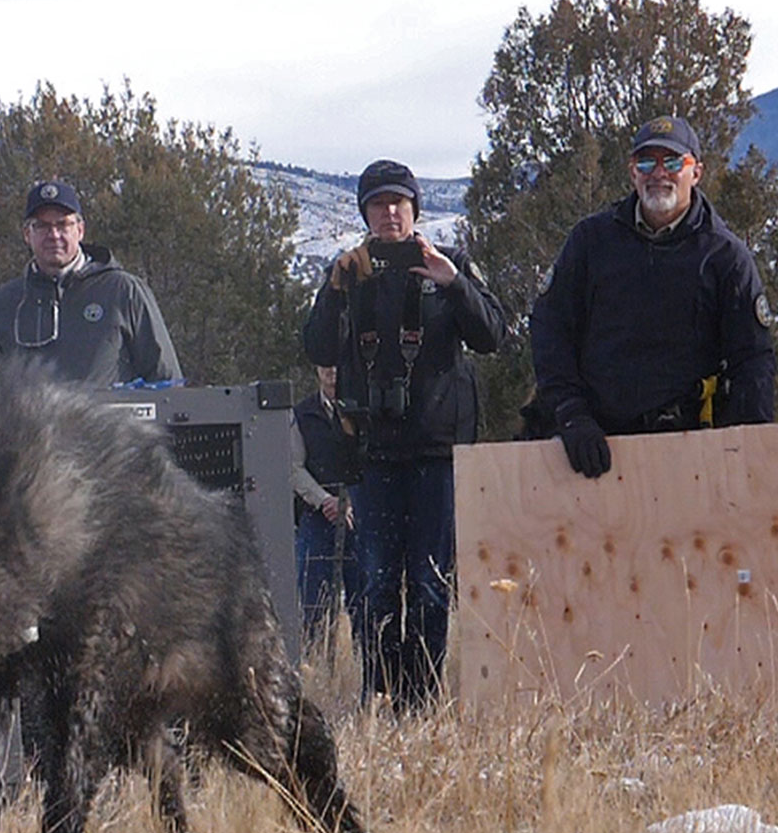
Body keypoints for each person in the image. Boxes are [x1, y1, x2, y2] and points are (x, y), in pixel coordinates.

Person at [302, 159, 505, 709]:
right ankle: (380, 692)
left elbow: (493, 335)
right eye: (378, 204)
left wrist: (454, 284)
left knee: (432, 581)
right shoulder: (348, 272)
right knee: (374, 581)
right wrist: (335, 292)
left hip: (437, 451)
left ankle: (423, 696)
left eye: (399, 203)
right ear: (364, 212)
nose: (389, 213)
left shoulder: (449, 264)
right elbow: (318, 349)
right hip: (371, 453)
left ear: (415, 209)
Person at [530, 114, 775, 477]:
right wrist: (571, 416)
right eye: (647, 162)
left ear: (697, 172)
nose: (659, 173)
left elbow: (752, 360)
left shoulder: (725, 256)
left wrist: (745, 456)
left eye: (673, 162)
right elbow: (551, 330)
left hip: (693, 453)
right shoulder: (590, 242)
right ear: (632, 172)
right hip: (594, 450)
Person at [0, 180, 180, 386]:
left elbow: (166, 382)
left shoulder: (124, 291)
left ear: (80, 230)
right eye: (42, 226)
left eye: (63, 224)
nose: (54, 235)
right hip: (26, 419)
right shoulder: (1, 304)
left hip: (106, 418)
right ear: (27, 235)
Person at [291, 364, 361, 647]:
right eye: (324, 364)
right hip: (316, 519)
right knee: (313, 607)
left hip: (361, 517)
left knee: (365, 604)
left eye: (336, 363)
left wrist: (352, 503)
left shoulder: (362, 408)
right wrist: (326, 502)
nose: (332, 370)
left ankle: (366, 673)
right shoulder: (300, 413)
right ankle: (316, 673)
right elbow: (293, 467)